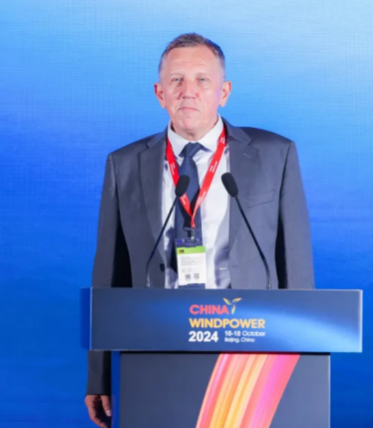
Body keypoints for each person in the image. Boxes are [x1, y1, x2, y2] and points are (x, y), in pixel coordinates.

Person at [84, 33, 315, 427]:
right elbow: (109, 275)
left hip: (248, 354)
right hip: (155, 349)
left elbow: (295, 267)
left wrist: (301, 365)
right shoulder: (124, 164)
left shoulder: (275, 155)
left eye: (202, 79)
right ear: (160, 93)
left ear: (224, 92)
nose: (188, 91)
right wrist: (100, 374)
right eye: (176, 80)